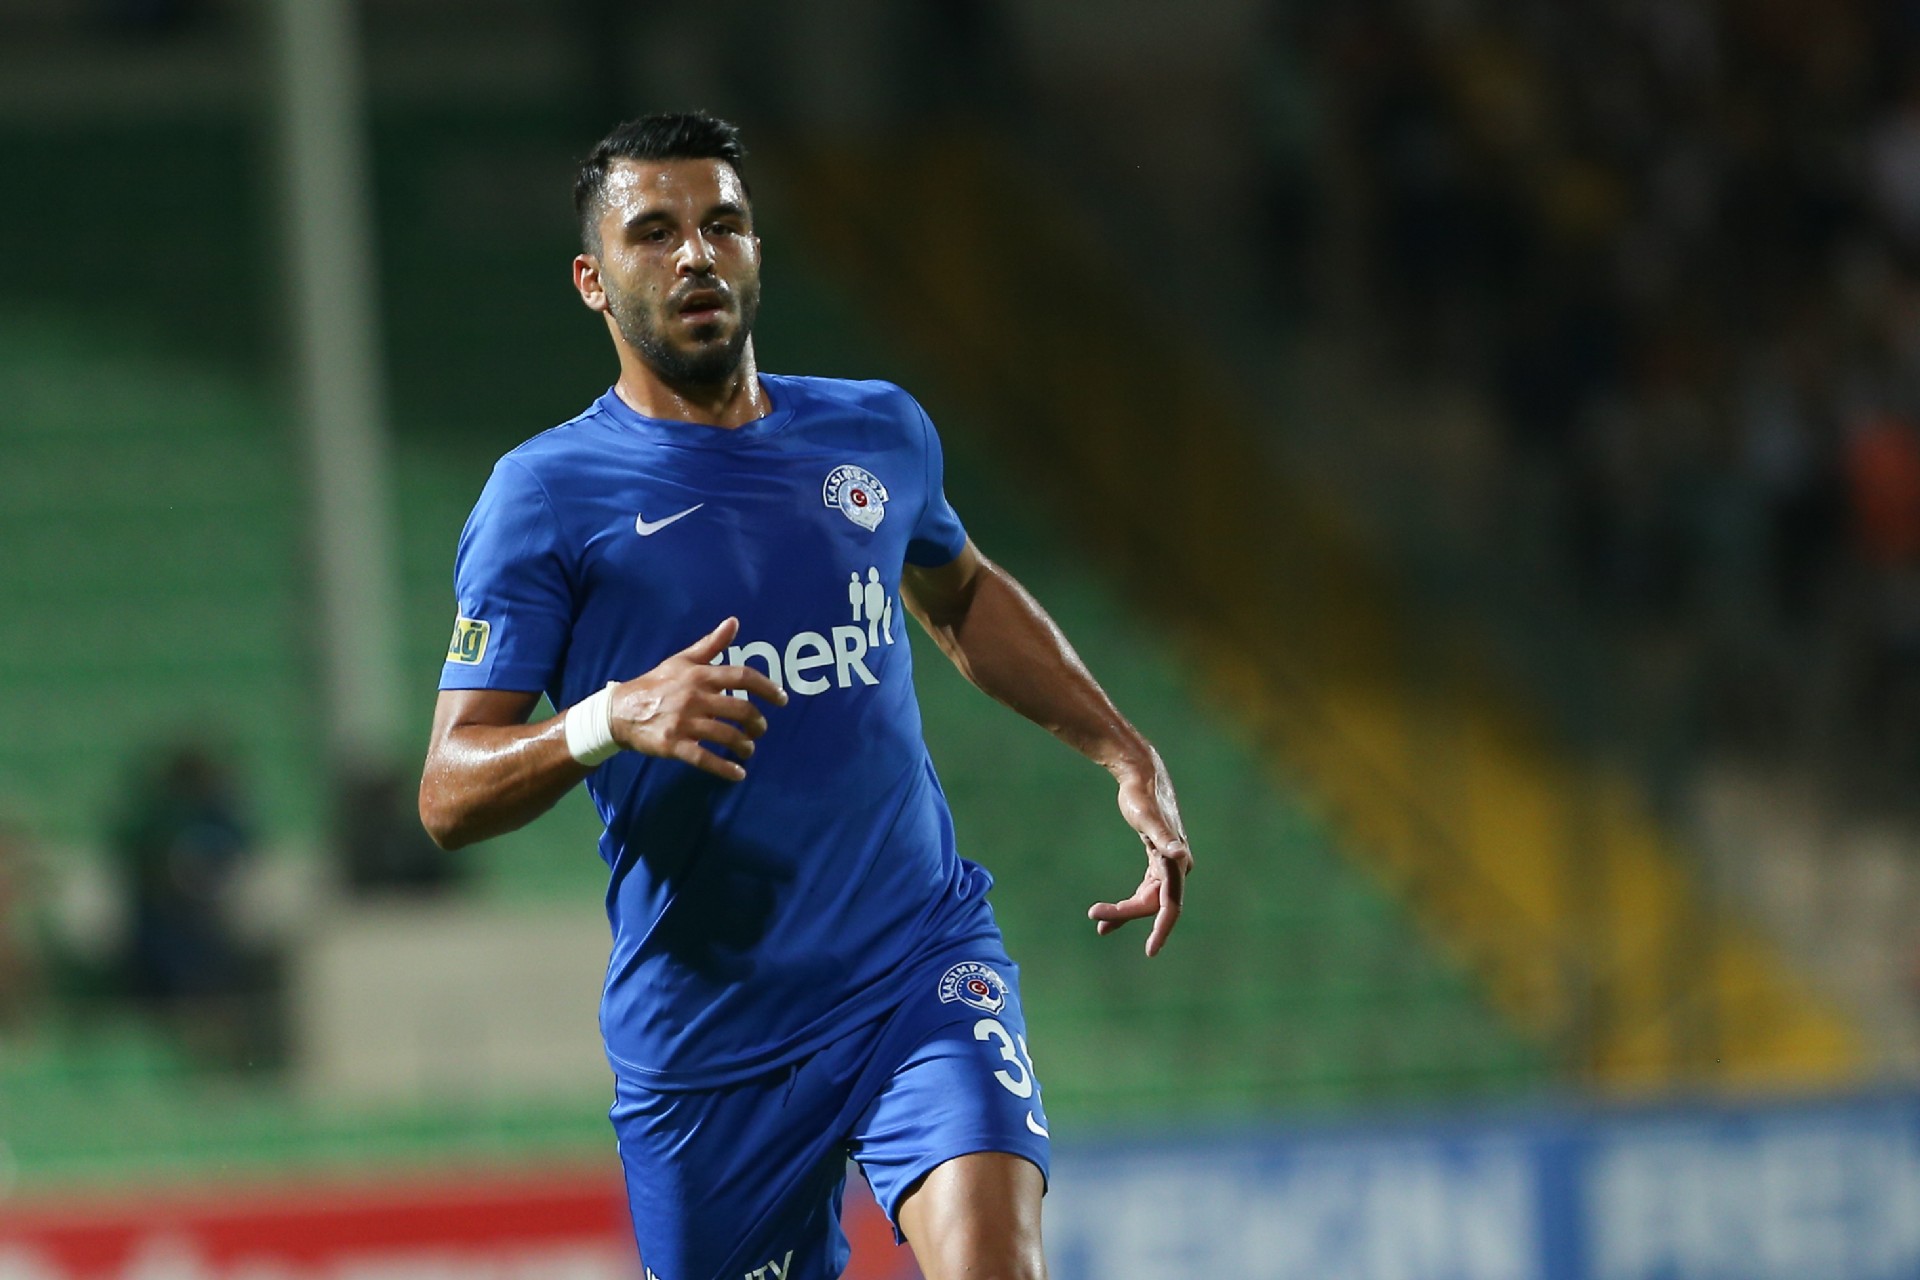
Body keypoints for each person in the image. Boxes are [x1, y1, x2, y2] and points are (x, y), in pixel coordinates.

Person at [417, 112, 1192, 1280]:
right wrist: (608, 718)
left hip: (915, 966)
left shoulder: (875, 429)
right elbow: (445, 790)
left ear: (755, 250)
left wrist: (1125, 751)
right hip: (712, 1035)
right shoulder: (544, 496)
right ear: (593, 279)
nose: (695, 253)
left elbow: (962, 594)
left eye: (722, 223)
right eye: (654, 232)